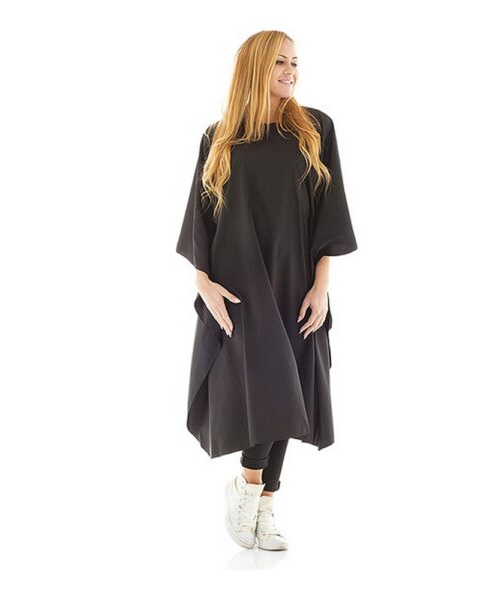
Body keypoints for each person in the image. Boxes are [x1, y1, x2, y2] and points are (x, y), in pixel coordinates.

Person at [176, 30, 358, 551]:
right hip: (240, 286)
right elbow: (200, 221)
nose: (291, 71)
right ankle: (257, 492)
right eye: (280, 62)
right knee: (269, 386)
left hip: (296, 280)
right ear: (255, 67)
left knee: (292, 387)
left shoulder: (315, 128)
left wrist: (322, 285)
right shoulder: (219, 138)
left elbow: (329, 211)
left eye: (295, 62)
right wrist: (204, 284)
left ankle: (258, 496)